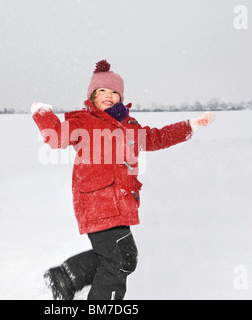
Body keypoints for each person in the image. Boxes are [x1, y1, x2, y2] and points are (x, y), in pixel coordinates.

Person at [31, 60, 215, 300]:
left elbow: (157, 138)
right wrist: (42, 112)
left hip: (121, 202)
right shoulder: (84, 122)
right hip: (96, 202)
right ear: (92, 97)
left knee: (121, 257)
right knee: (119, 259)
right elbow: (55, 137)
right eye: (102, 91)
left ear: (121, 96)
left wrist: (189, 126)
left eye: (113, 91)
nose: (108, 96)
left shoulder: (129, 126)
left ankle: (65, 277)